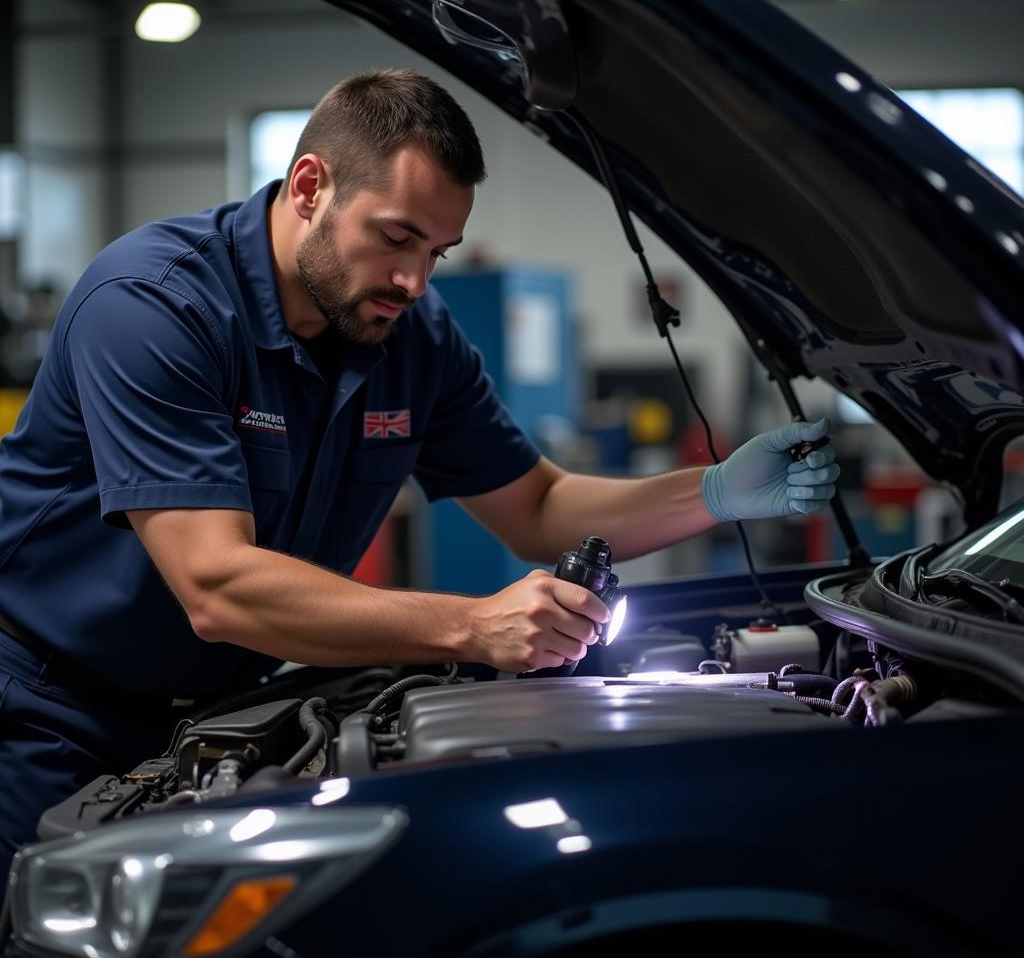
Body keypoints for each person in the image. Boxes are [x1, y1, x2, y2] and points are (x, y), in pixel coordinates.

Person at [0, 69, 839, 888]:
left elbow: (538, 506)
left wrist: (716, 491)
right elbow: (218, 587)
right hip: (45, 711)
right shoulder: (154, 306)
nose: (414, 280)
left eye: (436, 252)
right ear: (308, 187)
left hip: (217, 721)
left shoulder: (412, 334)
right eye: (396, 237)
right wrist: (471, 626)